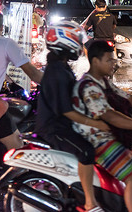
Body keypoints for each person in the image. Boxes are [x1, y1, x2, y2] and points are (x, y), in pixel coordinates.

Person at [72, 40, 132, 212]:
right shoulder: (89, 86)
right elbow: (111, 116)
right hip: (96, 139)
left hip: (111, 135)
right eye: (109, 60)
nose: (113, 64)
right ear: (95, 62)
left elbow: (128, 98)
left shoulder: (104, 82)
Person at [36, 21, 109, 212]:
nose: (80, 44)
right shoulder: (57, 71)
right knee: (86, 152)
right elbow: (66, 110)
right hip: (54, 127)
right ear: (65, 41)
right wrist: (95, 123)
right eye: (77, 40)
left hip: (63, 123)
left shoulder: (61, 67)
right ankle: (90, 203)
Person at [0, 10, 43, 151]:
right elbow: (33, 73)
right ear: (1, 28)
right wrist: (58, 83)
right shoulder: (5, 43)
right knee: (17, 147)